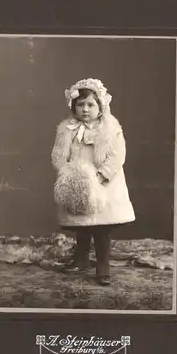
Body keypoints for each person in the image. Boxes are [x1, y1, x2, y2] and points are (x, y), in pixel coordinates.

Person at [51, 78, 135, 286]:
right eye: (80, 105)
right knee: (82, 225)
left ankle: (103, 265)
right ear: (73, 106)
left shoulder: (109, 128)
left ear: (101, 106)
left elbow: (117, 155)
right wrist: (66, 173)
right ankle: (81, 259)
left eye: (90, 105)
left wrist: (101, 175)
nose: (85, 110)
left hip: (104, 184)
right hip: (78, 184)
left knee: (100, 227)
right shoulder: (67, 129)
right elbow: (58, 154)